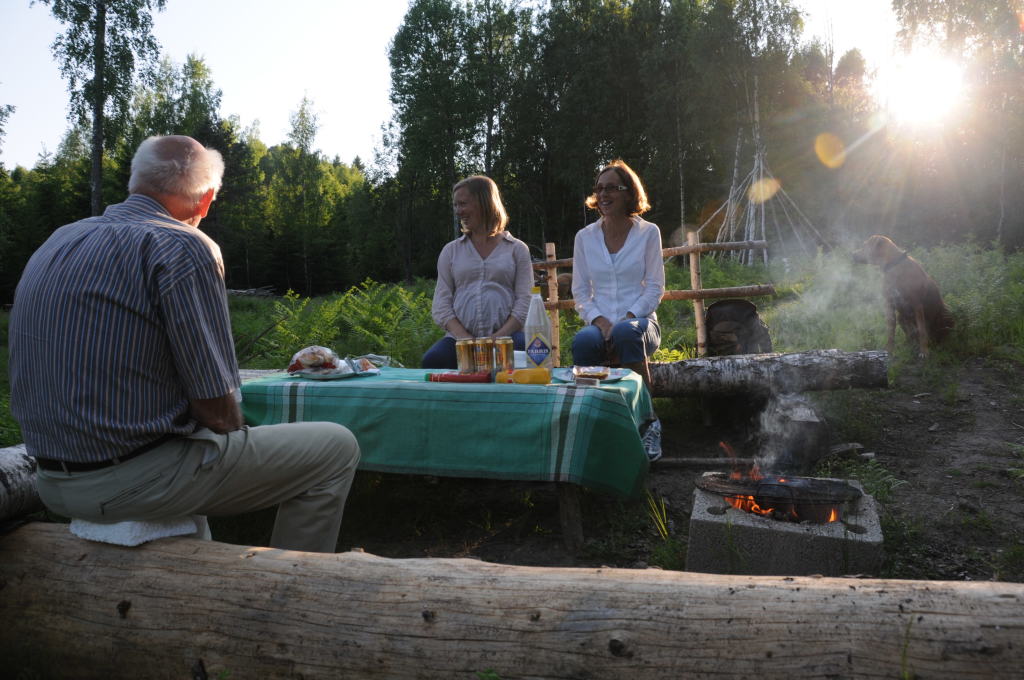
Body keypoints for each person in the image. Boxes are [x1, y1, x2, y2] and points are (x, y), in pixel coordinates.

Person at [8, 135, 360, 553]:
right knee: (336, 447)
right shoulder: (182, 245)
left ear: (135, 182)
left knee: (191, 443)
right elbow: (219, 412)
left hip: (49, 478)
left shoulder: (59, 240)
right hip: (130, 481)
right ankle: (289, 588)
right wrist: (244, 429)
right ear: (205, 200)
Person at [571, 160, 665, 390]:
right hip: (599, 326)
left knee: (625, 332)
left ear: (628, 193)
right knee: (583, 340)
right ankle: (589, 413)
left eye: (612, 188)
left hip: (641, 325)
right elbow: (580, 292)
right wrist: (601, 322)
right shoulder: (584, 237)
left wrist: (627, 318)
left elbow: (655, 288)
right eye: (599, 188)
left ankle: (645, 415)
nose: (603, 194)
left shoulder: (648, 233)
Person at [422, 175, 533, 368]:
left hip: (509, 337)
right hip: (460, 340)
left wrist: (496, 339)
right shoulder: (451, 251)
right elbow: (441, 304)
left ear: (485, 203)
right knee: (433, 360)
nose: (458, 211)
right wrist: (466, 339)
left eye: (463, 204)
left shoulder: (517, 249)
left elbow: (525, 301)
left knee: (529, 359)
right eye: (456, 205)